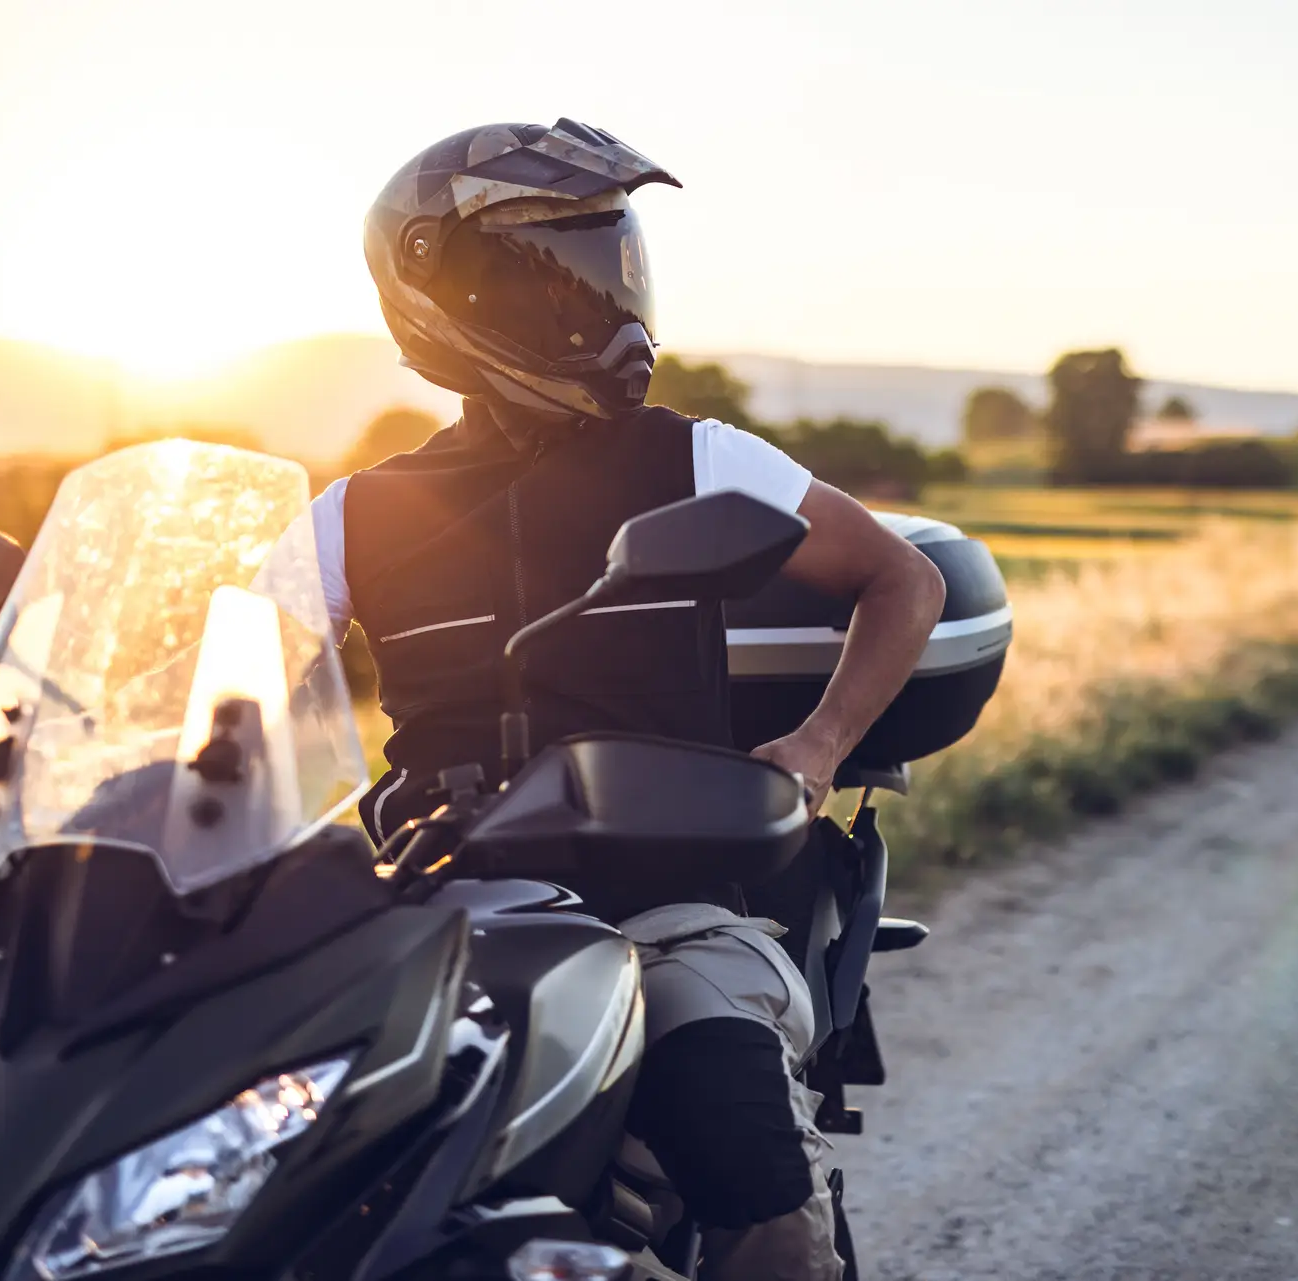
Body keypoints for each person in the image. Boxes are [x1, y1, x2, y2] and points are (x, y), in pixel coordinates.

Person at [324, 119, 945, 1281]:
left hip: (666, 912)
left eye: (610, 266)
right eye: (557, 275)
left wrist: (817, 744)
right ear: (443, 293)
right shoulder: (359, 517)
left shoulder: (696, 458)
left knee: (738, 1141)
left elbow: (898, 579)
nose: (601, 308)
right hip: (438, 921)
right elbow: (226, 681)